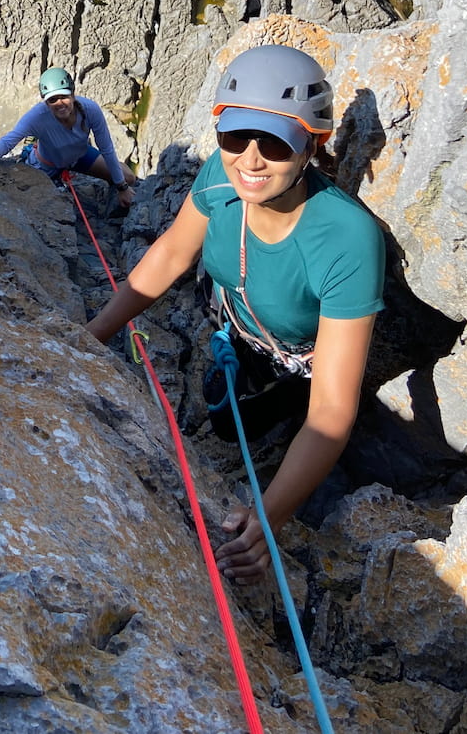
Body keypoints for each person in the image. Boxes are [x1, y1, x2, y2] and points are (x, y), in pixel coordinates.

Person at [86, 43, 384, 582]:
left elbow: (332, 412)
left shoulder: (347, 240)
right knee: (224, 421)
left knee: (235, 424)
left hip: (299, 363)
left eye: (273, 142)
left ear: (312, 144)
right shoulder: (219, 182)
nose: (250, 159)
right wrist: (93, 334)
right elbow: (173, 254)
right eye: (233, 137)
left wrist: (267, 522)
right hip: (237, 327)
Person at [0, 68, 137, 210]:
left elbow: (107, 149)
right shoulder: (37, 116)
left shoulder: (90, 110)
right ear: (46, 102)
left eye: (64, 97)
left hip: (79, 158)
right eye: (52, 100)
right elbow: (9, 140)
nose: (60, 103)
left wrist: (122, 187)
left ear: (73, 95)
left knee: (128, 177)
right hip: (45, 166)